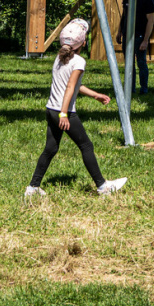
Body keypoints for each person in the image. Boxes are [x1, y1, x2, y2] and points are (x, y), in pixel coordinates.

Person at [25, 18, 127, 200]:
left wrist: (95, 95)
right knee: (86, 145)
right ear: (83, 42)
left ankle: (33, 187)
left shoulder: (59, 58)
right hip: (63, 112)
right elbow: (70, 88)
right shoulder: (79, 61)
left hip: (51, 109)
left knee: (51, 148)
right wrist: (64, 114)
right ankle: (103, 186)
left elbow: (74, 85)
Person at [116, 0, 154, 95]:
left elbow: (151, 20)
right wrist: (119, 31)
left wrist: (145, 39)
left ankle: (144, 88)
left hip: (140, 36)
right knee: (129, 63)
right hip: (127, 35)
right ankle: (130, 89)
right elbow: (124, 14)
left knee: (141, 62)